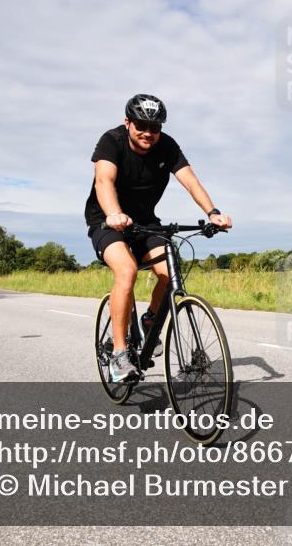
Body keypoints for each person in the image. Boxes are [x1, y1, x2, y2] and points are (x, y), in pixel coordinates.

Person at [85, 94, 232, 383]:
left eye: (155, 127)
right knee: (126, 271)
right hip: (107, 222)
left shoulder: (167, 146)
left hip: (146, 224)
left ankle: (151, 319)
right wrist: (115, 213)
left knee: (170, 272)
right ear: (128, 122)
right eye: (141, 125)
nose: (148, 133)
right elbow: (104, 181)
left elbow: (190, 180)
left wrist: (213, 212)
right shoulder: (111, 141)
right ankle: (119, 354)